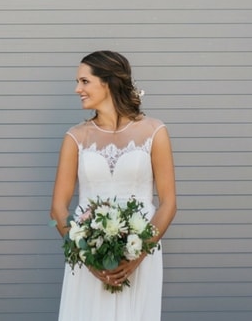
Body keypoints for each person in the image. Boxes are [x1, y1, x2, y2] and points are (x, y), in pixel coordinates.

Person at [50, 50, 177, 321]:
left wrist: (140, 253)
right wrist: (87, 257)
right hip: (88, 255)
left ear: (107, 82)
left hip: (141, 250)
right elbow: (58, 208)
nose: (77, 89)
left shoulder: (155, 131)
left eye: (84, 81)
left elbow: (168, 202)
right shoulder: (76, 137)